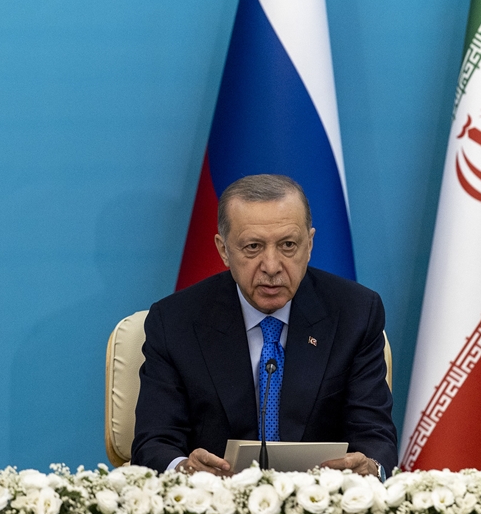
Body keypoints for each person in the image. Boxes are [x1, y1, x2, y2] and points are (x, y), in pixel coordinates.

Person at [131, 174, 397, 477]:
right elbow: (154, 442)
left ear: (309, 244)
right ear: (223, 250)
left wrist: (371, 467)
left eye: (288, 245)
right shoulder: (175, 321)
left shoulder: (355, 313)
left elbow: (374, 436)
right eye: (253, 246)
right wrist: (183, 468)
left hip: (323, 499)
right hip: (214, 498)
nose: (271, 266)